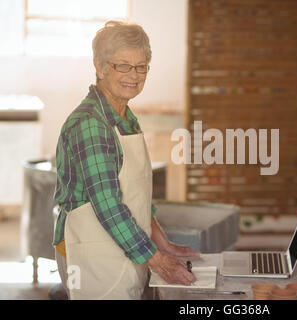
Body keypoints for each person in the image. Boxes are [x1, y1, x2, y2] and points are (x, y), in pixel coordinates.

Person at [53, 20, 198, 300]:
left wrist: (163, 244)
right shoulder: (91, 124)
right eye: (123, 65)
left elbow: (136, 195)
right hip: (91, 252)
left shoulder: (125, 118)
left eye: (141, 66)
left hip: (123, 247)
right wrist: (159, 261)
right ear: (100, 66)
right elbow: (108, 206)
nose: (134, 75)